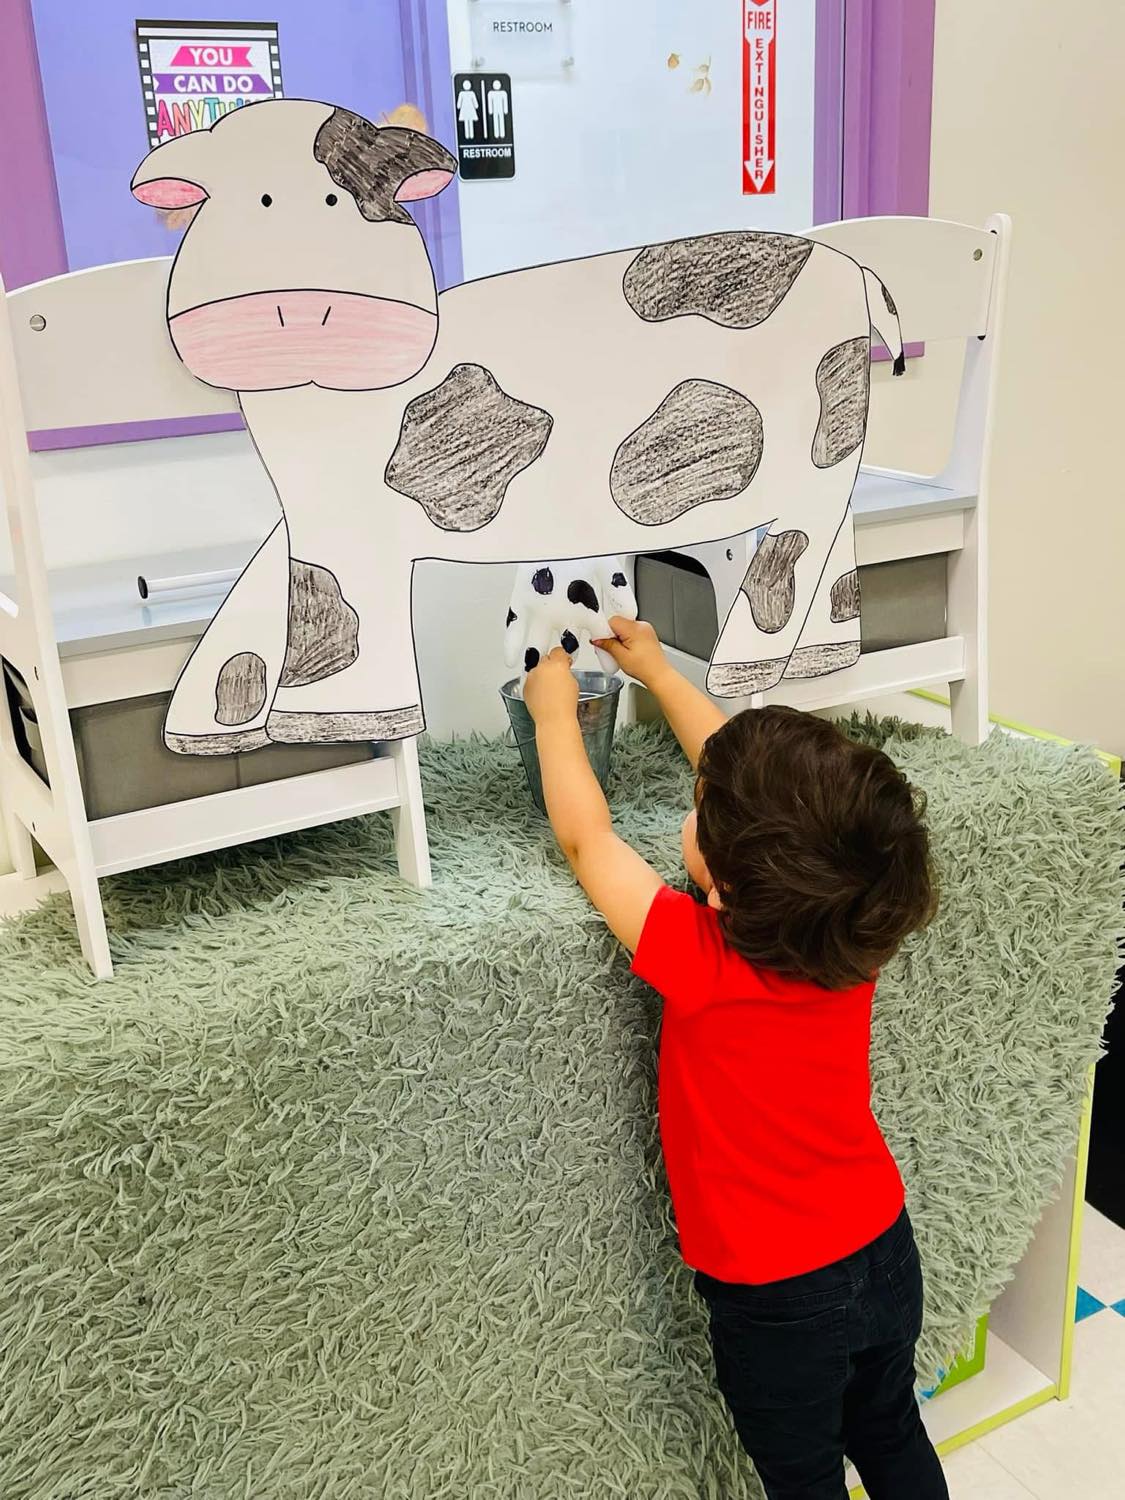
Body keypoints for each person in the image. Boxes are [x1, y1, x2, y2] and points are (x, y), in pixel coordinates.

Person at [523, 618, 947, 1500]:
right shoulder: (851, 933)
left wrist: (553, 716)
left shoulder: (700, 957)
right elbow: (756, 790)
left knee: (803, 1481)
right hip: (880, 1245)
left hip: (780, 1300)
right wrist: (654, 670)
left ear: (724, 877)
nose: (694, 808)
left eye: (699, 816)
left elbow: (586, 841)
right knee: (892, 1431)